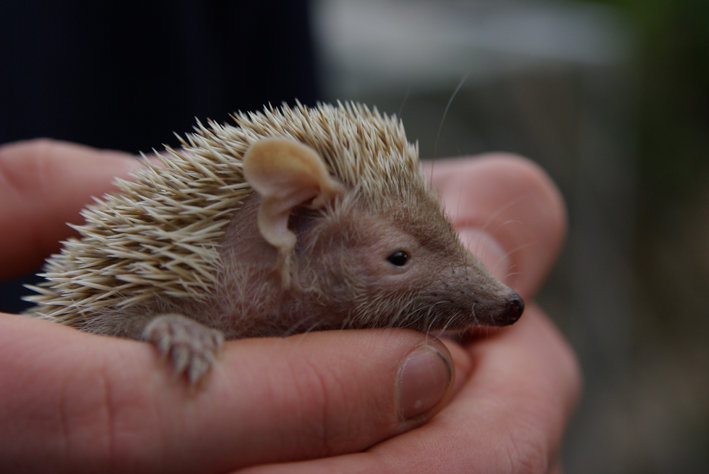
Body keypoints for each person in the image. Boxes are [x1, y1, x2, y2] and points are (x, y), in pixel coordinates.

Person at [0, 139, 580, 472]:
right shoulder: (178, 277)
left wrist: (489, 399)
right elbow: (95, 324)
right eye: (398, 258)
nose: (493, 297)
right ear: (291, 218)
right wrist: (160, 326)